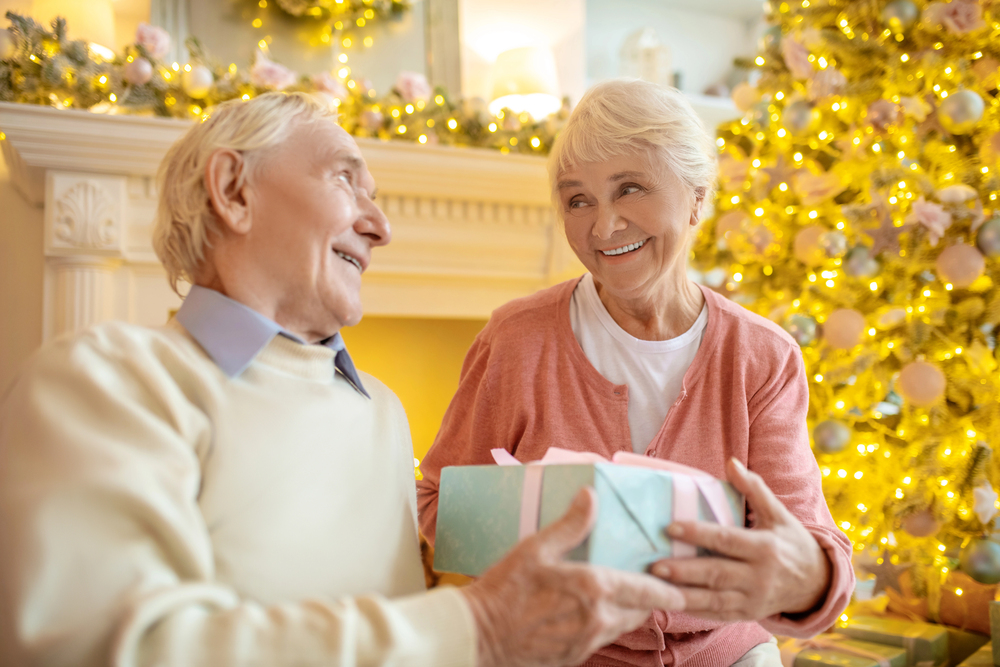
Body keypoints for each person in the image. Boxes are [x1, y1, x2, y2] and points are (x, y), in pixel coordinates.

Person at [0, 92, 686, 667]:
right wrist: (477, 628)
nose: (379, 225)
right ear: (234, 190)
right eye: (344, 178)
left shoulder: (379, 411)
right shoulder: (110, 379)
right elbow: (112, 647)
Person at [416, 79, 855, 667]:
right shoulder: (516, 340)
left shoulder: (762, 356)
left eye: (631, 189)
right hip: (562, 648)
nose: (603, 227)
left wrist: (803, 578)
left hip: (723, 650)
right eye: (578, 200)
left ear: (697, 197)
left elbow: (818, 554)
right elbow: (436, 498)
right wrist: (534, 522)